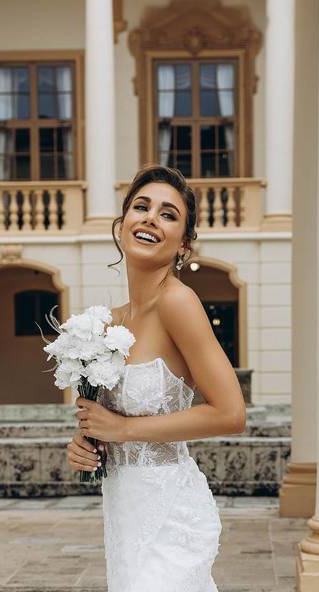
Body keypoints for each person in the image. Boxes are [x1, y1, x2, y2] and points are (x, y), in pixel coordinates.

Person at [66, 164, 246, 591]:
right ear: (122, 223)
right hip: (125, 508)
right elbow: (104, 423)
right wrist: (86, 444)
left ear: (183, 244)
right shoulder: (110, 324)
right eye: (141, 207)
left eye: (168, 214)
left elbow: (231, 413)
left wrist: (124, 428)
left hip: (169, 507)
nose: (150, 218)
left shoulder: (179, 303)